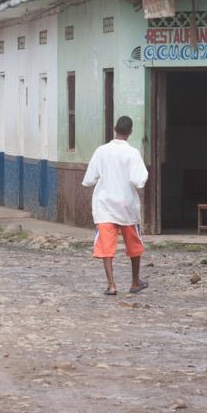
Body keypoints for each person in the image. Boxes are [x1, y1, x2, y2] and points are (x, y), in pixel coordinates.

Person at [82, 115, 149, 295]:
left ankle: (111, 285)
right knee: (134, 246)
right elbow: (139, 180)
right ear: (131, 132)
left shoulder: (101, 151)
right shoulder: (133, 153)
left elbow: (88, 180)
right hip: (127, 207)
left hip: (105, 207)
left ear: (114, 128)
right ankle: (135, 282)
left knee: (106, 247)